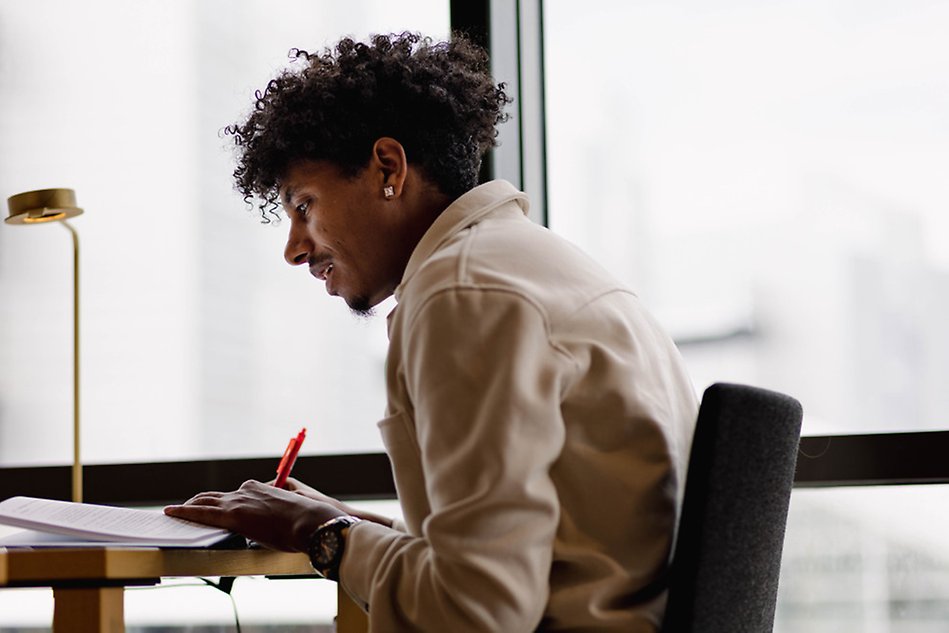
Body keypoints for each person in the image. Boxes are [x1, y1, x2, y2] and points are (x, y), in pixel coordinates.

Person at [164, 32, 698, 632]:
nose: (294, 250)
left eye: (304, 205)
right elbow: (491, 568)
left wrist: (316, 533)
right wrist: (342, 526)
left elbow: (474, 613)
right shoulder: (521, 265)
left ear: (388, 168)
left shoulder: (463, 295)